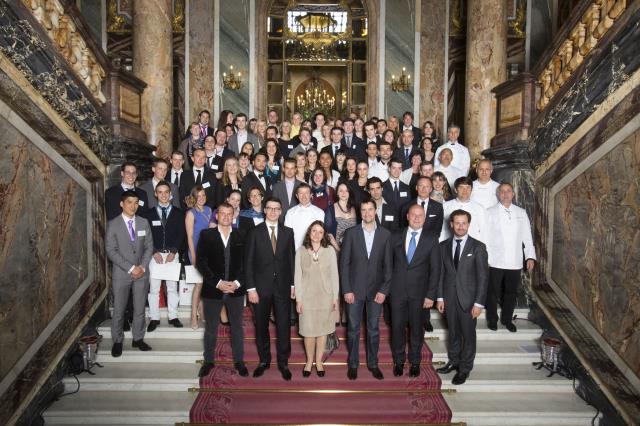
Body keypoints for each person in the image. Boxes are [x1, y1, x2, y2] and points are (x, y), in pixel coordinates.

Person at [340, 199, 392, 380]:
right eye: (364, 210)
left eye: (370, 209)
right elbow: (344, 264)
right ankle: (353, 364)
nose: (368, 213)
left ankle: (373, 363)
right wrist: (346, 289)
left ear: (375, 210)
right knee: (353, 329)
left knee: (373, 329)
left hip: (376, 292)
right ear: (360, 212)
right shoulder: (351, 233)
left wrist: (384, 290)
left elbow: (388, 266)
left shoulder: (385, 235)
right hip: (354, 291)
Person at [436, 210, 489, 385]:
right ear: (451, 224)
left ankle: (465, 368)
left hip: (469, 301)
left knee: (468, 335)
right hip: (449, 299)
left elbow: (483, 277)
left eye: (463, 223)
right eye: (457, 223)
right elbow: (441, 273)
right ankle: (454, 361)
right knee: (453, 332)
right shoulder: (443, 246)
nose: (460, 226)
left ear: (468, 224)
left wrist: (479, 303)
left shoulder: (478, 247)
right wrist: (440, 297)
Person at [245, 197, 296, 380]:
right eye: (270, 208)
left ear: (281, 211)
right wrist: (250, 288)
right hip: (260, 288)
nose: (273, 212)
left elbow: (292, 261)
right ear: (264, 210)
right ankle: (264, 361)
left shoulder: (288, 232)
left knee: (283, 326)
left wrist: (292, 285)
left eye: (277, 209)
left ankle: (283, 362)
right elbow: (248, 262)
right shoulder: (254, 232)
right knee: (261, 326)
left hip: (282, 287)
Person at [196, 202, 248, 378]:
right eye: (222, 213)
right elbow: (201, 263)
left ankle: (239, 361)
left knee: (237, 328)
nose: (226, 217)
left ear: (234, 216)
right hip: (213, 290)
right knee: (211, 328)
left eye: (229, 214)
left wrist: (237, 283)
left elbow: (247, 264)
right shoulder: (206, 235)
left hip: (236, 290)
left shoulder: (242, 235)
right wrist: (217, 283)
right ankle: (209, 361)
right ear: (217, 216)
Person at [389, 204, 441, 377]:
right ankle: (398, 361)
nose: (416, 218)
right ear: (407, 216)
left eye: (420, 215)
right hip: (397, 292)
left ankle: (415, 362)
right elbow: (388, 265)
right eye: (413, 215)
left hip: (420, 294)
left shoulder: (431, 239)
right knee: (397, 328)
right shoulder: (395, 235)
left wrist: (431, 295)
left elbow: (435, 270)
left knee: (417, 329)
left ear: (425, 219)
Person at [106, 190, 154, 357]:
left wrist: (142, 266)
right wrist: (130, 268)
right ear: (122, 204)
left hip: (142, 272)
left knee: (140, 308)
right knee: (119, 309)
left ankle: (138, 338)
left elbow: (149, 246)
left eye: (135, 203)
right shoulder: (113, 224)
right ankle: (117, 341)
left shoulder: (143, 222)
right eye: (129, 202)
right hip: (122, 274)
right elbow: (111, 251)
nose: (133, 206)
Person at [485, 183, 536, 332]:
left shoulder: (521, 212)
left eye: (508, 191)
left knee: (511, 292)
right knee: (492, 292)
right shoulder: (489, 212)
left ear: (513, 194)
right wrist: (485, 259)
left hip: (515, 260)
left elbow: (527, 237)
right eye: (502, 192)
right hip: (495, 259)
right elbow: (485, 237)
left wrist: (530, 257)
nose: (505, 194)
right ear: (498, 194)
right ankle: (492, 319)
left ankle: (507, 320)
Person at [294, 221, 340, 377]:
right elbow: (297, 277)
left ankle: (319, 362)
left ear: (324, 235)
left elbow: (334, 276)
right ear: (309, 232)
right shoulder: (300, 251)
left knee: (322, 331)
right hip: (306, 298)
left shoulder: (330, 251)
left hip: (325, 297)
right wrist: (299, 300)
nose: (317, 234)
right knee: (308, 332)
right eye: (314, 231)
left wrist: (335, 298)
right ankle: (309, 361)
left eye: (320, 232)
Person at [143, 181, 186, 332]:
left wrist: (173, 251)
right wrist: (154, 251)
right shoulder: (148, 214)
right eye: (160, 192)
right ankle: (154, 318)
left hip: (171, 255)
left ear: (170, 193)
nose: (163, 195)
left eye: (166, 192)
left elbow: (182, 234)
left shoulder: (178, 213)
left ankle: (173, 316)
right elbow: (146, 236)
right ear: (155, 194)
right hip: (154, 256)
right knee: (154, 289)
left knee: (172, 288)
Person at [184, 186, 212, 329]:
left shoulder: (208, 210)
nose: (202, 197)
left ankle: (202, 311)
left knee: (205, 285)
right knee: (199, 284)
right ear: (194, 197)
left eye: (203, 195)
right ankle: (193, 316)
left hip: (208, 252)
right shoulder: (191, 213)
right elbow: (189, 236)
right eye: (199, 195)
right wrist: (193, 256)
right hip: (196, 252)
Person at [441, 177, 487, 243]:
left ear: (471, 190)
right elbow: (442, 231)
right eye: (461, 187)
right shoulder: (445, 206)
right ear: (456, 190)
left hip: (472, 247)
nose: (465, 190)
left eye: (468, 187)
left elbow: (484, 232)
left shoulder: (479, 208)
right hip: (449, 247)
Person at [284, 183, 325, 249]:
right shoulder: (290, 213)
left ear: (311, 195)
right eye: (301, 193)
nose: (304, 196)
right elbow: (287, 236)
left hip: (314, 251)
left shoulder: (319, 212)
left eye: (306, 193)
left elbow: (321, 235)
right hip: (296, 251)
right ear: (297, 196)